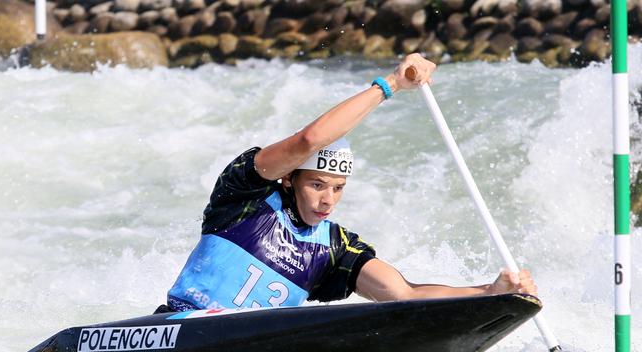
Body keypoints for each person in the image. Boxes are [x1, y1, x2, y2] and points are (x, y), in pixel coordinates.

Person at [164, 53, 536, 313]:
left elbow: (403, 295)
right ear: (290, 179)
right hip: (175, 327)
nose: (328, 200)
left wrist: (491, 292)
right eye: (317, 185)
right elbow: (307, 142)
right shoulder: (245, 196)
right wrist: (391, 84)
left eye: (338, 188)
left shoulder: (334, 247)